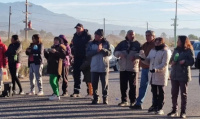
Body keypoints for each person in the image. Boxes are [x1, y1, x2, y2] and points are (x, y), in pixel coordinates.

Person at [139, 37, 171, 115]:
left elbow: (165, 64)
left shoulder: (165, 51)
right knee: (154, 91)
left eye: (158, 42)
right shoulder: (153, 50)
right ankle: (154, 106)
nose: (156, 43)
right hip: (152, 74)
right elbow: (148, 61)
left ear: (162, 43)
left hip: (161, 75)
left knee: (161, 92)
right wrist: (142, 57)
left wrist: (156, 69)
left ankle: (160, 108)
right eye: (156, 42)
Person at [167, 36, 194, 118]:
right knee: (174, 93)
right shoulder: (176, 50)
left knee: (183, 94)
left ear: (183, 41)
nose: (177, 42)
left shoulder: (189, 50)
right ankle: (174, 110)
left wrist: (185, 61)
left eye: (178, 40)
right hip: (174, 75)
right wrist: (173, 62)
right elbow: (170, 61)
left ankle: (183, 112)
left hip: (183, 75)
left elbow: (192, 61)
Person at [114, 30, 141, 107]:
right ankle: (124, 100)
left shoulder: (137, 44)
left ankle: (133, 101)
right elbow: (115, 52)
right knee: (123, 86)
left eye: (133, 34)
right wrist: (120, 54)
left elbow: (142, 54)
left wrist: (136, 56)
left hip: (132, 68)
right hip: (123, 68)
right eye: (130, 34)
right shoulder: (122, 43)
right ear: (127, 35)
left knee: (133, 86)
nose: (131, 36)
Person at [131, 30, 156, 110]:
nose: (147, 37)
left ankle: (154, 105)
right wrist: (135, 56)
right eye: (146, 35)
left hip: (153, 69)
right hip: (144, 68)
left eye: (149, 35)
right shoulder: (144, 45)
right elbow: (141, 55)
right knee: (142, 87)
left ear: (153, 36)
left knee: (154, 88)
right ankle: (139, 103)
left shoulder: (156, 45)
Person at [86, 29, 111, 104]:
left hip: (104, 67)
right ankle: (96, 98)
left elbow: (109, 53)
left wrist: (102, 50)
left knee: (105, 84)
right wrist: (96, 51)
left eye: (97, 35)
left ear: (101, 36)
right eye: (95, 35)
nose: (95, 36)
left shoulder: (106, 43)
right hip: (94, 67)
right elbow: (88, 53)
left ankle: (105, 98)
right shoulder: (91, 43)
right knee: (94, 84)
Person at [70, 23, 92, 97]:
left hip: (85, 58)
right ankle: (76, 92)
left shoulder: (87, 36)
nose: (77, 30)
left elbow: (89, 46)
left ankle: (90, 92)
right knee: (76, 75)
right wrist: (72, 52)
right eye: (76, 28)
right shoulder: (75, 36)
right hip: (77, 58)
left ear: (82, 28)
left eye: (79, 28)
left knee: (87, 75)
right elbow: (73, 45)